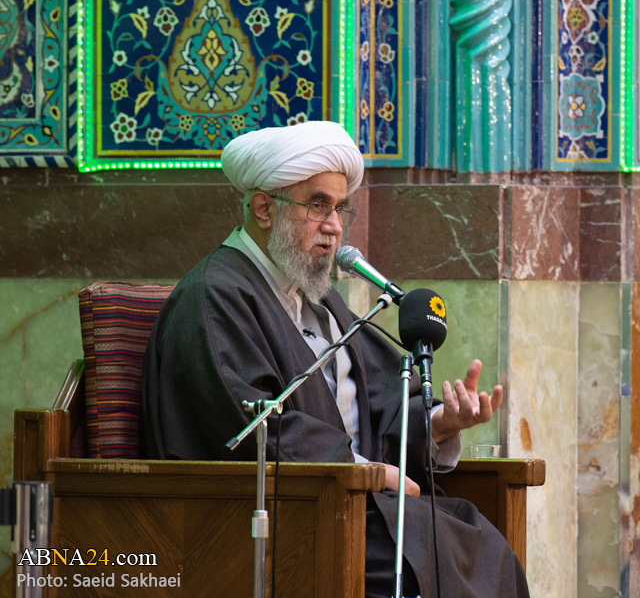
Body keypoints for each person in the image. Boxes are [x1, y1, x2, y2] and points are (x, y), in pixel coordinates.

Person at [141, 121, 530, 598]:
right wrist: (364, 471)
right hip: (276, 520)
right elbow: (253, 429)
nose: (335, 226)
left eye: (340, 208)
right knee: (451, 559)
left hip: (353, 508)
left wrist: (438, 423)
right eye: (317, 205)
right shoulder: (215, 295)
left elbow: (379, 409)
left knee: (478, 543)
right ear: (263, 208)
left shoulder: (321, 301)